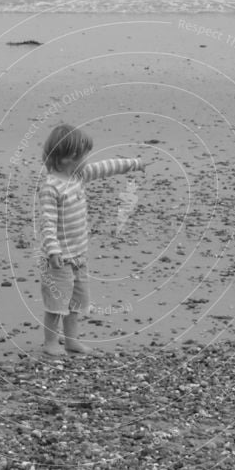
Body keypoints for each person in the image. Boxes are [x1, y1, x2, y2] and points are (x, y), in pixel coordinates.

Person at [36, 123, 145, 357]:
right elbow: (47, 222)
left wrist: (133, 164)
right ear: (68, 159)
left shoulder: (79, 175)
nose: (87, 160)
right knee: (57, 304)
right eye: (83, 156)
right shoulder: (51, 187)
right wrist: (53, 251)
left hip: (79, 256)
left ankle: (72, 341)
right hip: (59, 259)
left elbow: (106, 167)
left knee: (76, 303)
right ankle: (50, 343)